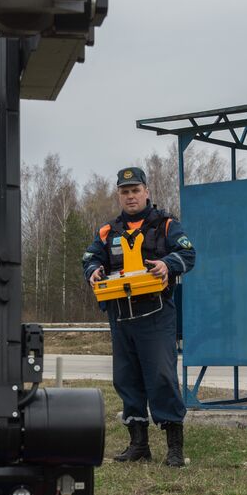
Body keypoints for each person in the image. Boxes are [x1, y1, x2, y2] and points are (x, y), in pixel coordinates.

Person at [82, 167, 195, 466]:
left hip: (155, 315)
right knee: (126, 378)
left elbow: (188, 254)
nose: (130, 196)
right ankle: (138, 445)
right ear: (119, 195)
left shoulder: (167, 225)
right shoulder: (108, 231)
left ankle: (174, 447)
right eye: (124, 191)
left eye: (135, 190)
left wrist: (168, 264)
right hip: (120, 316)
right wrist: (93, 270)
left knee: (161, 376)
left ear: (146, 192)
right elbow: (90, 257)